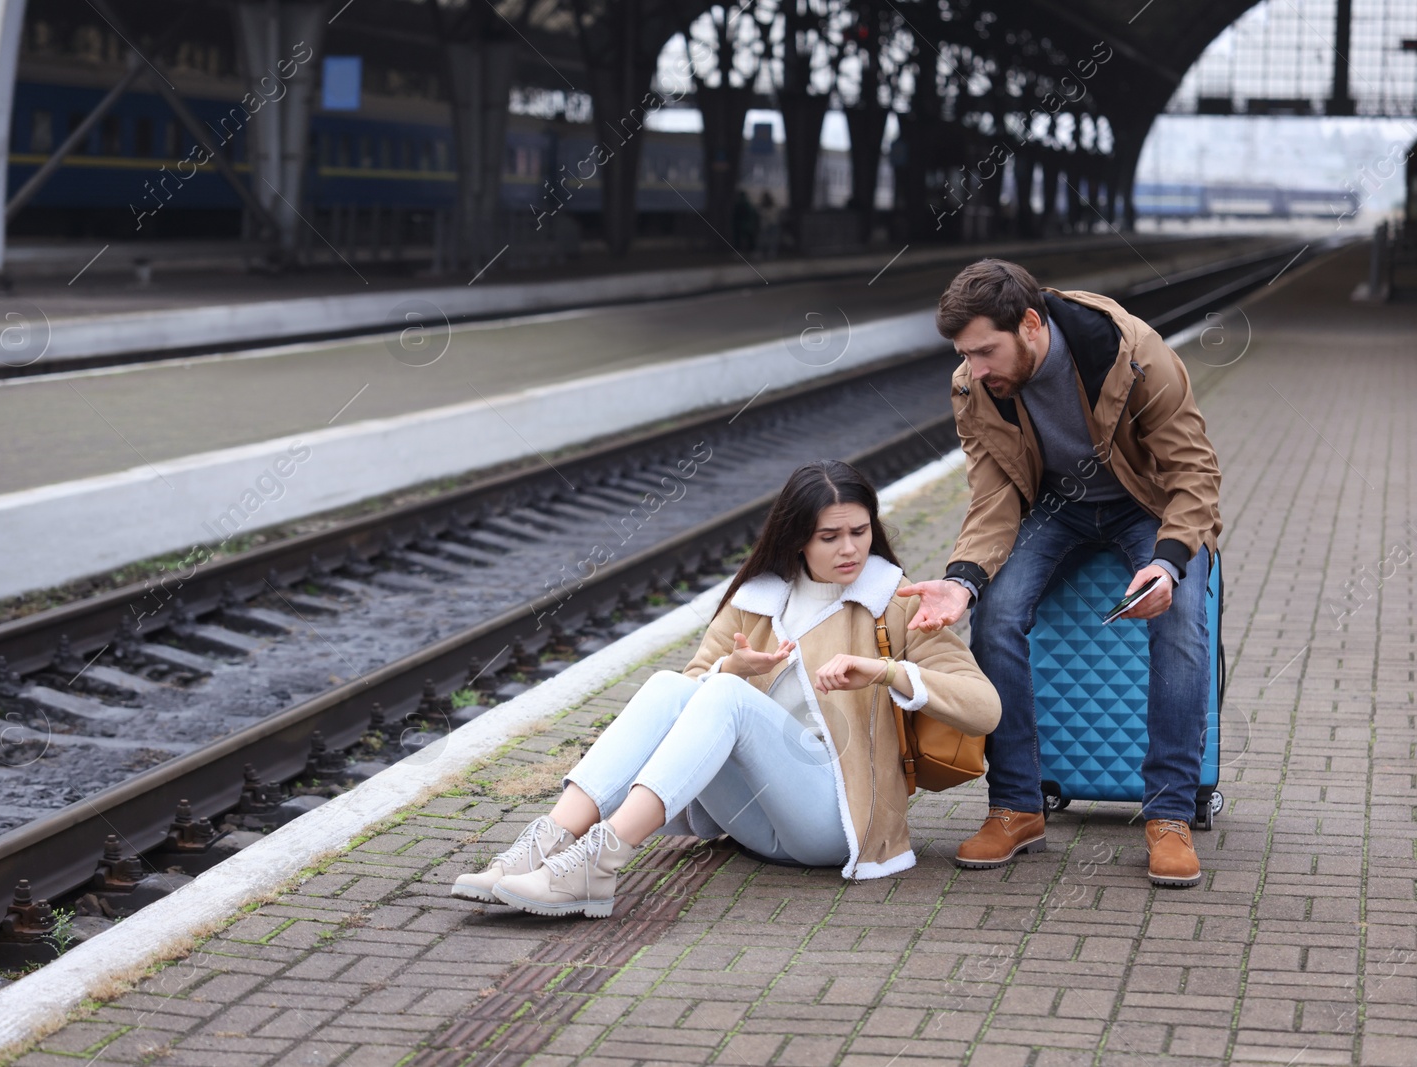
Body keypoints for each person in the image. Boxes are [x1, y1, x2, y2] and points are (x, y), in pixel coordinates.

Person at [451, 460, 1001, 918]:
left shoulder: (895, 602)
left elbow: (985, 709)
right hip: (758, 827)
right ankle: (544, 845)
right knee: (675, 685)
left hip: (839, 823)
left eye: (859, 532)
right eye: (829, 536)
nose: (849, 549)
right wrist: (731, 668)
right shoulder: (756, 599)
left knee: (726, 695)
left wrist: (885, 671)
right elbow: (690, 696)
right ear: (796, 540)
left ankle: (598, 865)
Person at [898, 258, 1222, 888]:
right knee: (994, 613)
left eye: (986, 351)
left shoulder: (1137, 356)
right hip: (1055, 510)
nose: (976, 368)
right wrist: (963, 580)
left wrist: (1169, 560)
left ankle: (1170, 815)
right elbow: (993, 497)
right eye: (966, 355)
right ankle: (1017, 805)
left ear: (1030, 324)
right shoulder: (974, 384)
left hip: (1145, 505)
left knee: (1181, 616)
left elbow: (1194, 475)